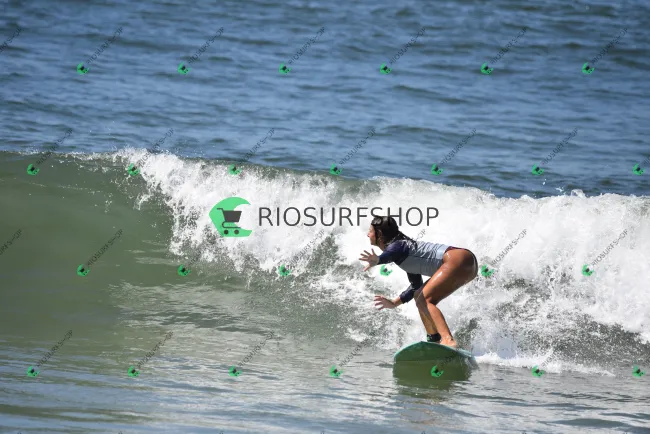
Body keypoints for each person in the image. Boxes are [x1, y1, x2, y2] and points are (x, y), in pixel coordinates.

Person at [359, 216, 478, 348]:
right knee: (419, 296)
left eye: (370, 231)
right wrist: (394, 303)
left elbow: (389, 254)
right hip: (467, 265)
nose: (368, 234)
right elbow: (416, 286)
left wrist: (378, 260)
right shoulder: (405, 254)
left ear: (379, 234)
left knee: (425, 300)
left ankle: (448, 340)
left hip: (457, 259)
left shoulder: (398, 246)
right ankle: (434, 340)